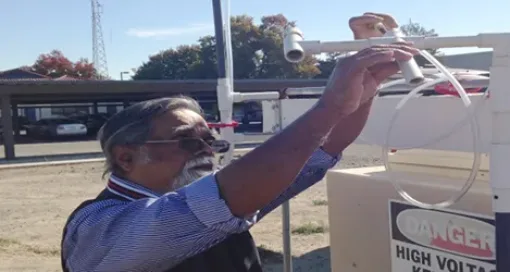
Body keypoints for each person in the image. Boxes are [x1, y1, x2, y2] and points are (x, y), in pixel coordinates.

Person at [61, 12, 418, 272]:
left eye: (209, 140)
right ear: (125, 158)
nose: (205, 150)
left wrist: (365, 86)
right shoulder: (97, 226)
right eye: (187, 141)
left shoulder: (226, 195)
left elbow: (323, 149)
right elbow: (206, 206)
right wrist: (330, 106)